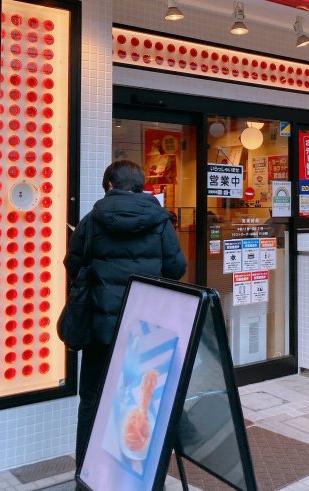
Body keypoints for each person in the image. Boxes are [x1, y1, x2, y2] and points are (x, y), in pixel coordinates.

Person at [65, 159, 187, 471]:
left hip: (100, 328)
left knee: (91, 400)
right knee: (141, 402)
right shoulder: (160, 221)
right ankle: (133, 477)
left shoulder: (92, 220)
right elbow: (176, 268)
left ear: (109, 185)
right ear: (141, 186)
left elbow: (73, 264)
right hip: (146, 329)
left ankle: (87, 475)